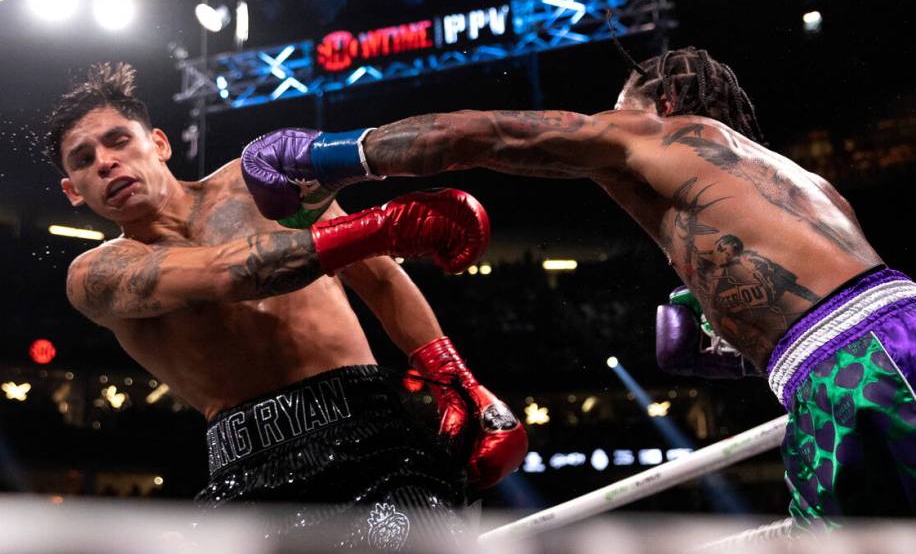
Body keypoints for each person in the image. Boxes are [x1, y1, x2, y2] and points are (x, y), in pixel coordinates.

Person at [242, 46, 916, 524]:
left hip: (851, 370)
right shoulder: (801, 185)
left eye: (615, 109)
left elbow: (484, 136)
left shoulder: (654, 128)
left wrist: (327, 156)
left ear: (665, 101)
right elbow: (849, 303)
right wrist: (733, 345)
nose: (605, 126)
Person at [43, 63, 527, 548]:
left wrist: (453, 376)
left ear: (159, 143)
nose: (105, 162)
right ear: (73, 192)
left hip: (371, 428)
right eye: (83, 159)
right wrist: (383, 226)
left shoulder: (256, 182)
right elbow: (224, 274)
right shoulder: (94, 275)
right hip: (248, 471)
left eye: (118, 140)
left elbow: (376, 275)